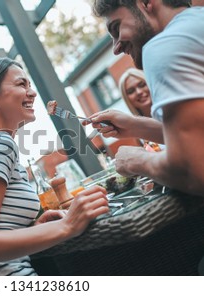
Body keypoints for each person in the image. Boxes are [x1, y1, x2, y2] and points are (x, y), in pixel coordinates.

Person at [0, 57, 109, 276]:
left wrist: (34, 228)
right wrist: (67, 226)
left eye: (30, 85)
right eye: (21, 84)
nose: (32, 92)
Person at [85, 1, 204, 196]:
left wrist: (137, 161)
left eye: (116, 28)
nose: (116, 48)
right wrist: (135, 126)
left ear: (147, 3)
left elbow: (194, 172)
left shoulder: (163, 47)